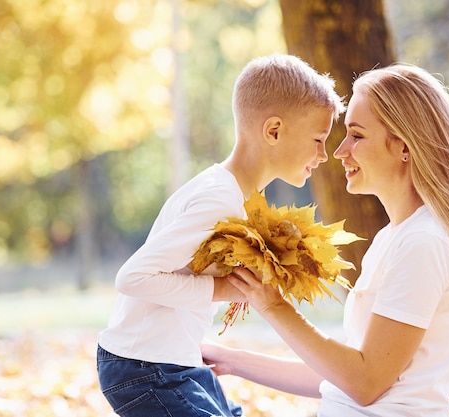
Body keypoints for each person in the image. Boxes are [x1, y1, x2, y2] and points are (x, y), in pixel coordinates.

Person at [201, 63, 449, 416]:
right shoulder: (397, 236)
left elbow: (365, 383)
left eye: (357, 135)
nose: (340, 150)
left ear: (404, 146)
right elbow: (341, 377)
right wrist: (230, 359)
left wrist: (272, 305)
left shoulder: (425, 242)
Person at [96, 53, 345, 417]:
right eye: (318, 139)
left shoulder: (236, 196)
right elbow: (132, 277)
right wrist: (222, 289)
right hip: (144, 368)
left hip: (172, 361)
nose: (324, 155)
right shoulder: (219, 198)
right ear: (273, 130)